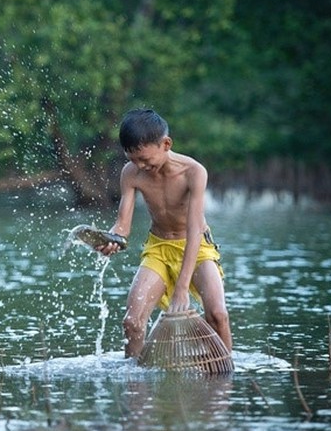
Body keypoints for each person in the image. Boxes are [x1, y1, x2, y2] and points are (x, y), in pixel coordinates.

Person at [97, 108, 232, 359]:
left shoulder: (194, 172)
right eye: (133, 159)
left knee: (218, 314)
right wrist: (111, 240)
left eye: (146, 160)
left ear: (166, 144)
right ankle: (135, 387)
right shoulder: (131, 172)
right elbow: (122, 226)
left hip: (197, 246)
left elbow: (194, 231)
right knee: (132, 321)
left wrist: (182, 287)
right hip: (158, 247)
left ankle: (224, 382)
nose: (141, 166)